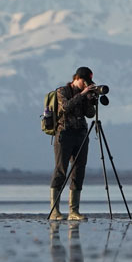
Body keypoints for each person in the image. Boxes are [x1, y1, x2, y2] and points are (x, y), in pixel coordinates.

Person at [49, 66, 98, 221]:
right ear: (77, 78)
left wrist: (90, 100)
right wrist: (82, 95)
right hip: (64, 134)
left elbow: (90, 114)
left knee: (79, 170)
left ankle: (74, 211)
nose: (86, 85)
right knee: (61, 170)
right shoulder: (62, 91)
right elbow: (66, 107)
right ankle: (55, 211)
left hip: (81, 134)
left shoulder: (84, 93)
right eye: (84, 82)